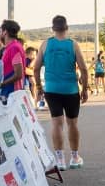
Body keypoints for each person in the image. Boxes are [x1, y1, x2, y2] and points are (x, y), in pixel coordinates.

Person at [35, 15, 89, 170]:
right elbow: (84, 69)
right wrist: (85, 89)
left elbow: (36, 68)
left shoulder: (45, 44)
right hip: (70, 90)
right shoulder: (73, 45)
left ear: (53, 28)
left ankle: (60, 160)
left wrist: (39, 87)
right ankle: (75, 158)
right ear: (67, 28)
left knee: (56, 124)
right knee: (72, 123)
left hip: (51, 90)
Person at [0, 19, 26, 101]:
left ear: (5, 32)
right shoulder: (10, 47)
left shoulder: (14, 48)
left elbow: (18, 74)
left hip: (12, 92)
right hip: (9, 90)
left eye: (0, 31)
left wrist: (2, 84)